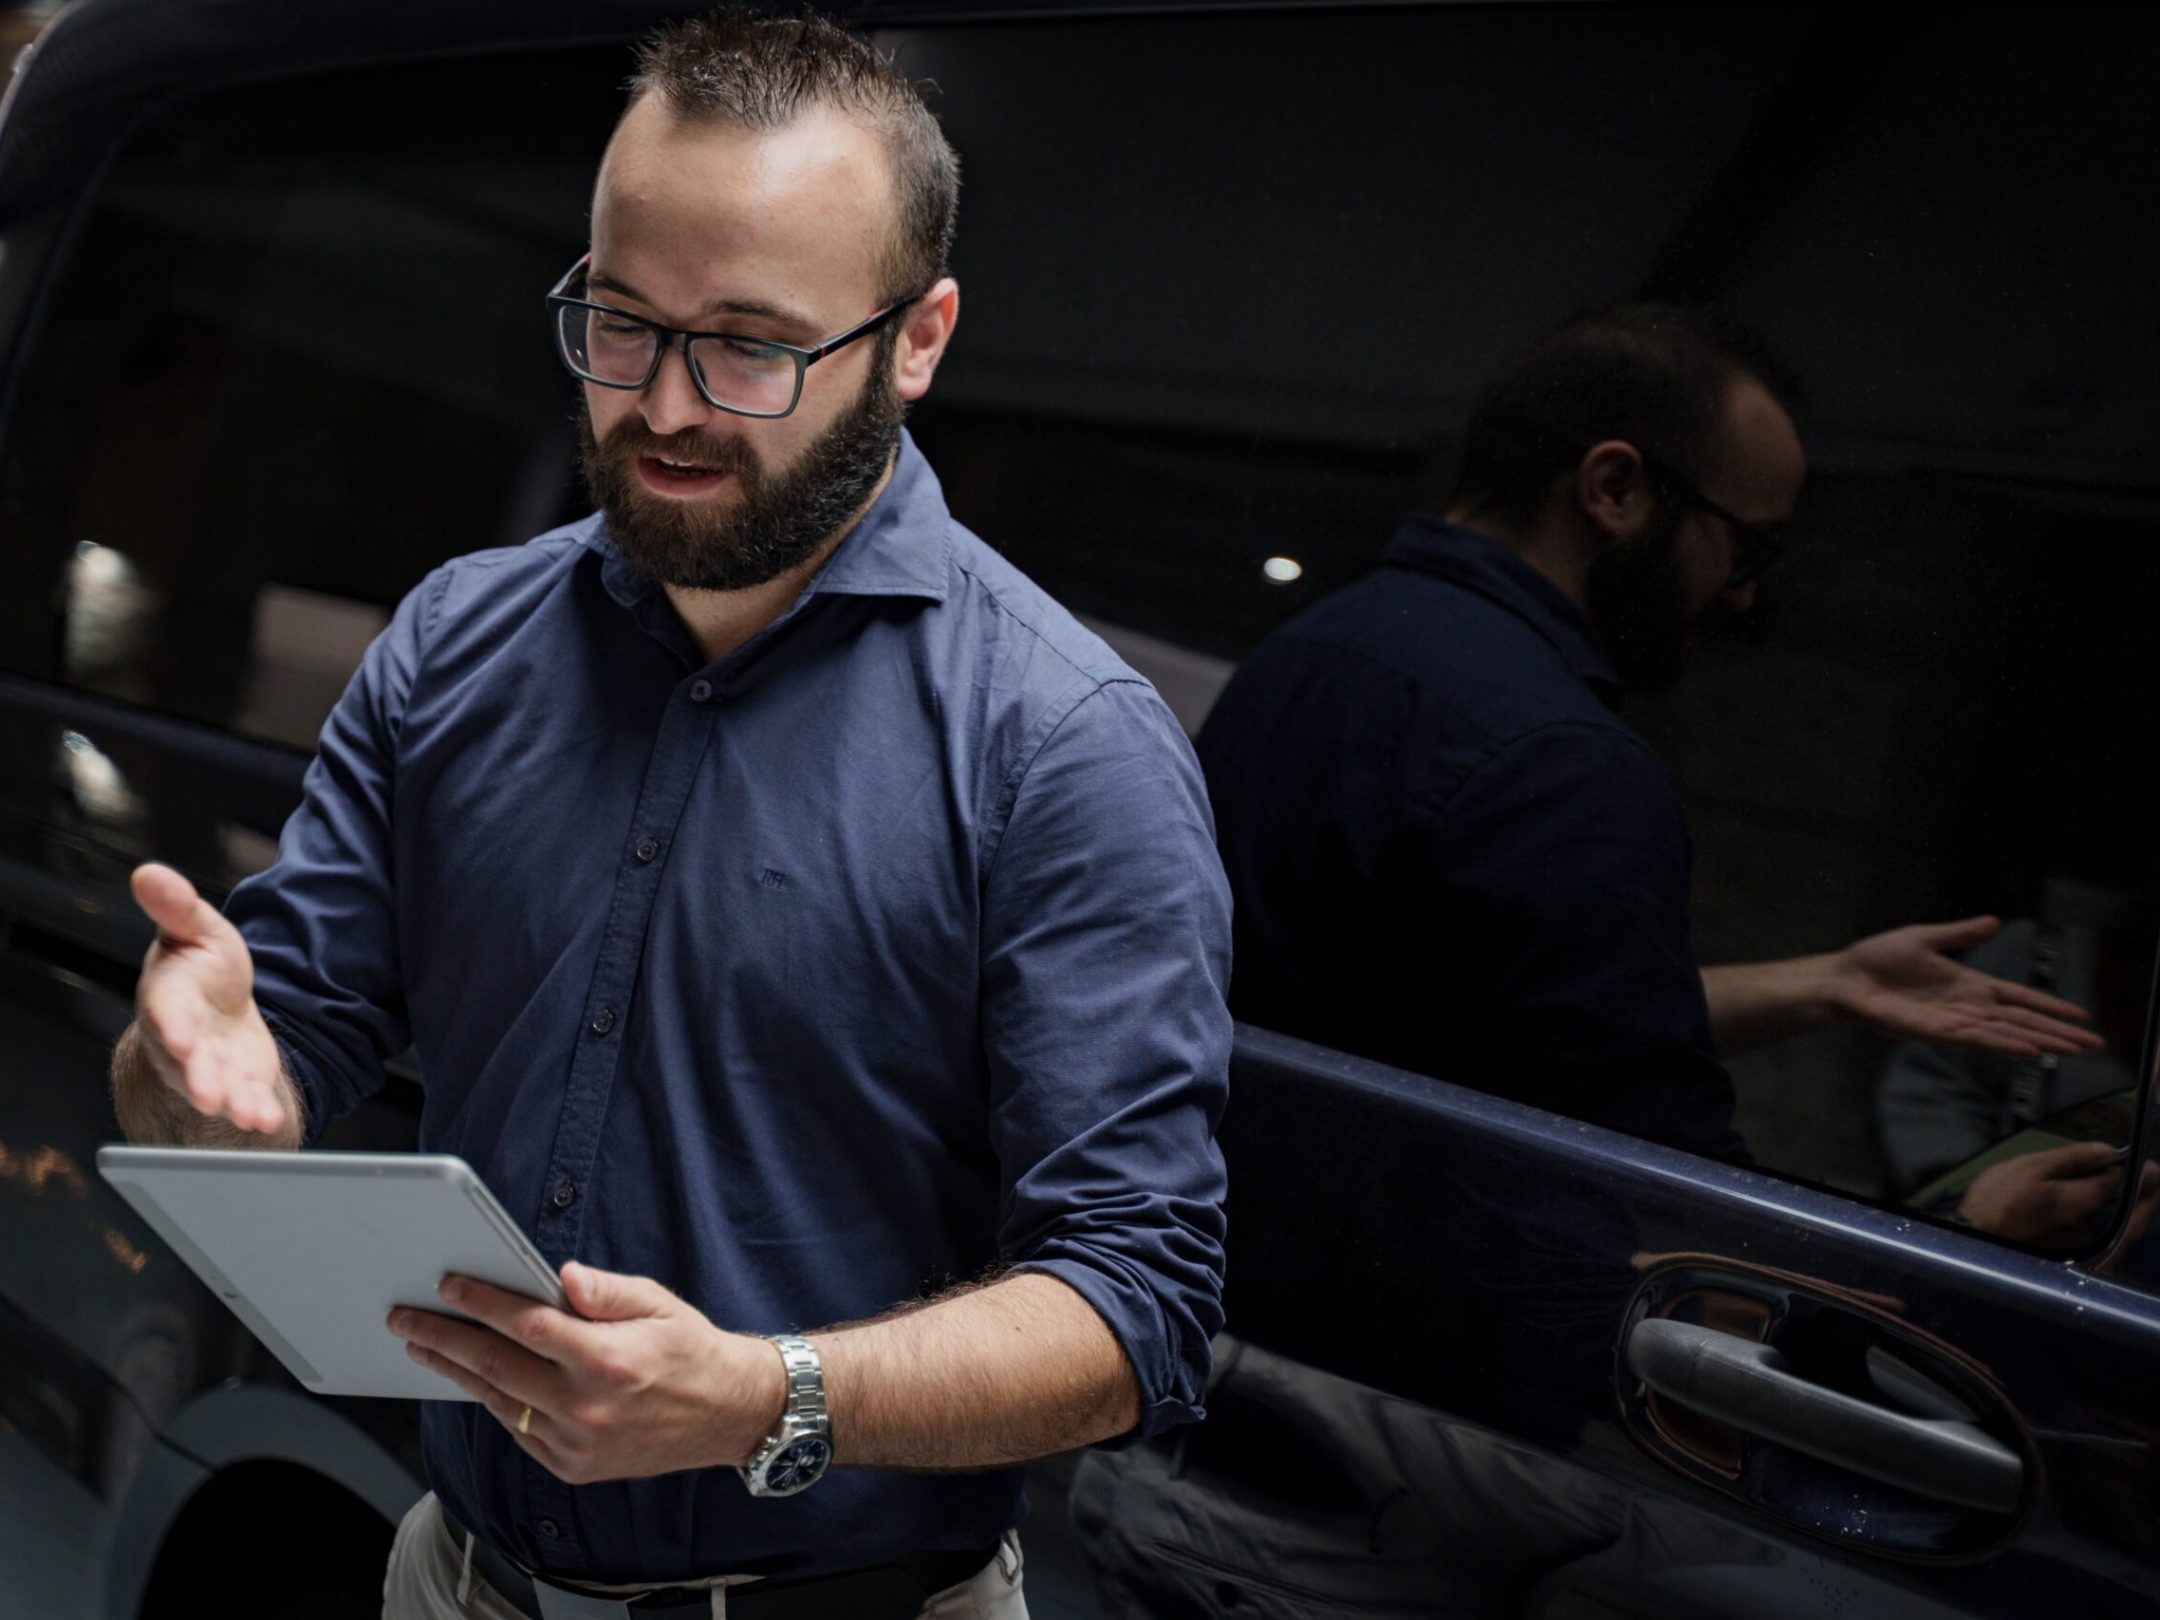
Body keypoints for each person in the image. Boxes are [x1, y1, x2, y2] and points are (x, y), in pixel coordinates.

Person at [108, 10, 1231, 1618]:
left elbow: (1138, 1310)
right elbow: (264, 1058)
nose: (668, 408)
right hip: (454, 1576)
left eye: (751, 347)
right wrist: (191, 1078)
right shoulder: (453, 644)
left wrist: (768, 1393)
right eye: (622, 323)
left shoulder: (1064, 748)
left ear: (917, 340)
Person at [1195, 304, 2099, 1160]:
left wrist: (1828, 984)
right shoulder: (1559, 759)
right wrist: (1971, 1234)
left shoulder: (1316, 646)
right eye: (1744, 546)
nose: (1742, 592)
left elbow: (1482, 1026)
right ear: (1615, 488)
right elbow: (1663, 1181)